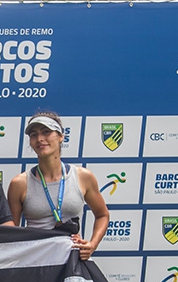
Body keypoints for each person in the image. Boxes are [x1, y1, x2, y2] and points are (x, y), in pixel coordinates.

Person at [7, 111, 109, 259]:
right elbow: (12, 232)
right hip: (35, 262)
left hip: (71, 261)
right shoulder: (20, 183)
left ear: (61, 136)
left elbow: (102, 215)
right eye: (34, 135)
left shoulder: (83, 177)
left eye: (46, 132)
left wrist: (92, 245)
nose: (40, 139)